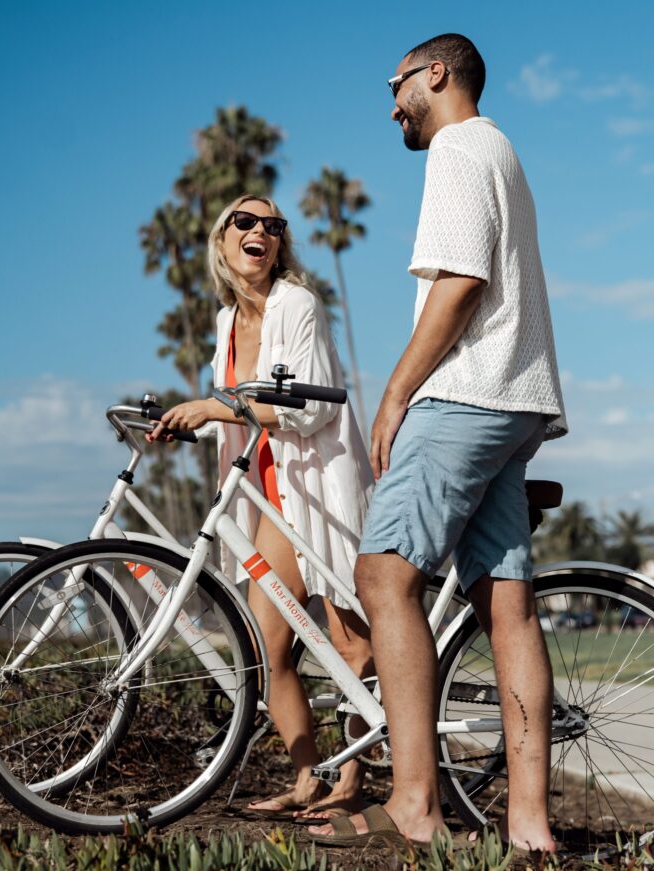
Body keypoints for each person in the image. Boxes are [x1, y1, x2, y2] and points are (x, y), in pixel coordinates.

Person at [309, 33, 567, 852]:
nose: (393, 107)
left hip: (464, 394)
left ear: (436, 75)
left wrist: (394, 394)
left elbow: (460, 284)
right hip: (519, 400)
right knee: (509, 608)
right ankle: (530, 828)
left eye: (396, 87)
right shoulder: (504, 152)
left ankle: (415, 801)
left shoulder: (457, 147)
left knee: (384, 575)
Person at [149, 194, 375, 821]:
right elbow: (232, 411)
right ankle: (307, 780)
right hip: (265, 497)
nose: (261, 231)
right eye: (245, 222)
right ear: (223, 242)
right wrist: (182, 421)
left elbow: (314, 408)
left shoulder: (298, 305)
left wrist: (217, 406)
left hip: (317, 486)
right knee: (269, 649)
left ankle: (352, 782)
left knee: (351, 646)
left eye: (273, 225)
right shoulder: (225, 321)